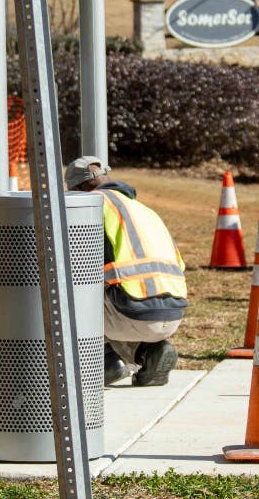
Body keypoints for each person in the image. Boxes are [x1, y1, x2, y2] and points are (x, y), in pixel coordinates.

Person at [65, 156, 187, 387]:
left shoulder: (90, 206)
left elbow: (74, 264)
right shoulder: (144, 210)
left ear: (78, 188)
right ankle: (151, 352)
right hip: (172, 314)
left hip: (132, 312)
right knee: (112, 291)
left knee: (60, 292)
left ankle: (104, 360)